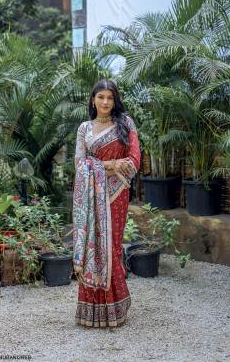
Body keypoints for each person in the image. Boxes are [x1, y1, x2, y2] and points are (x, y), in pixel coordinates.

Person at [73, 79, 141, 328]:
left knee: (111, 248)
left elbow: (134, 161)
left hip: (117, 194)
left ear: (115, 101)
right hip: (92, 198)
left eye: (109, 98)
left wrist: (110, 168)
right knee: (94, 247)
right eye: (100, 97)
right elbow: (79, 165)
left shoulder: (125, 124)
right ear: (93, 100)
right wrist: (109, 165)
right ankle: (91, 311)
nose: (105, 102)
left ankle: (114, 309)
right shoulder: (84, 129)